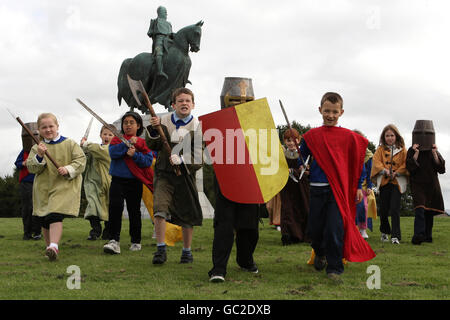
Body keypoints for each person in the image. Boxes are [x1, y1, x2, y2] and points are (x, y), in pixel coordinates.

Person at [298, 92, 375, 282]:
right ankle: (320, 252)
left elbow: (358, 163)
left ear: (341, 112)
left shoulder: (349, 137)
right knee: (314, 229)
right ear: (320, 110)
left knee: (334, 229)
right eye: (326, 111)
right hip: (316, 188)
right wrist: (300, 161)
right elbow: (303, 157)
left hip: (337, 191)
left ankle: (334, 268)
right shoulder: (311, 136)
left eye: (334, 112)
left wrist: (358, 186)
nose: (330, 115)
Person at [208, 77, 262, 283]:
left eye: (246, 101)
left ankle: (245, 259)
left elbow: (267, 152)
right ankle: (218, 268)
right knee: (224, 226)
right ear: (225, 100)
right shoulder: (217, 123)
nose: (240, 105)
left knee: (249, 228)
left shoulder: (258, 124)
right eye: (235, 100)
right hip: (226, 182)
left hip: (250, 182)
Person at [146, 87, 203, 265]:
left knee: (187, 214)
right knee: (160, 209)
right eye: (180, 101)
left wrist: (183, 160)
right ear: (173, 104)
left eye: (187, 101)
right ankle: (161, 249)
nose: (184, 103)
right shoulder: (162, 120)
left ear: (193, 105)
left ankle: (187, 252)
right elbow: (152, 145)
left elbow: (200, 154)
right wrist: (155, 130)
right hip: (164, 173)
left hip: (185, 175)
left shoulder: (198, 126)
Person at [27, 113, 86, 261]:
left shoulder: (70, 144)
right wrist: (39, 156)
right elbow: (32, 168)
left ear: (57, 126)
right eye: (44, 127)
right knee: (44, 219)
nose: (48, 130)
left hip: (63, 187)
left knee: (54, 214)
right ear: (39, 130)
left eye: (51, 126)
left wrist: (68, 169)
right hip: (43, 188)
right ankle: (50, 249)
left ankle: (54, 245)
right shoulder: (36, 147)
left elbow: (81, 161)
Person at [103, 112, 154, 254]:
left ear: (138, 125)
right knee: (115, 208)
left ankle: (136, 241)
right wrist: (127, 146)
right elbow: (113, 153)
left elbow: (147, 161)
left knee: (134, 211)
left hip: (134, 181)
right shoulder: (116, 140)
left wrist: (135, 155)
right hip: (117, 180)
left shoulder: (143, 143)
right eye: (125, 122)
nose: (128, 125)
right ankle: (114, 241)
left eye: (131, 122)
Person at [406, 125, 445, 244]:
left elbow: (441, 168)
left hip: (431, 184)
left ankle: (428, 236)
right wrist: (416, 153)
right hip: (417, 184)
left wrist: (434, 153)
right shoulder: (411, 150)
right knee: (420, 209)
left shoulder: (434, 151)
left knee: (429, 211)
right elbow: (410, 167)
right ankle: (418, 236)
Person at [371, 124, 408, 244]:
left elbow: (405, 164)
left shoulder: (403, 150)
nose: (390, 138)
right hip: (384, 182)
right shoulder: (380, 149)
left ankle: (395, 236)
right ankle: (384, 232)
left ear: (396, 136)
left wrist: (397, 173)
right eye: (387, 135)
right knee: (384, 209)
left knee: (395, 209)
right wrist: (385, 171)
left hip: (397, 183)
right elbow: (376, 163)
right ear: (384, 137)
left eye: (392, 135)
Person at [80, 125, 114, 241]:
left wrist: (86, 144)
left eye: (110, 135)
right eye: (105, 134)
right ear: (100, 135)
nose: (107, 136)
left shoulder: (111, 149)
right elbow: (85, 160)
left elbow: (101, 151)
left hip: (108, 184)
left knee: (109, 209)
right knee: (92, 207)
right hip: (93, 183)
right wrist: (83, 150)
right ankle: (95, 230)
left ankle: (108, 231)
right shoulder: (94, 148)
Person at [279, 128, 310, 245]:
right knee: (288, 209)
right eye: (288, 140)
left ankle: (304, 234)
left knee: (303, 207)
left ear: (299, 140)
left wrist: (304, 170)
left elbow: (308, 170)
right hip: (287, 186)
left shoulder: (304, 154)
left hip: (301, 186)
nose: (291, 143)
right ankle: (289, 235)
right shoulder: (282, 155)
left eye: (294, 140)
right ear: (284, 141)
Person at [14, 123, 41, 240]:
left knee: (38, 207)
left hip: (39, 181)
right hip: (26, 182)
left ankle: (38, 232)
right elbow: (17, 163)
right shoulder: (24, 151)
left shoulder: (41, 149)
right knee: (27, 207)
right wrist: (23, 163)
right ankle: (27, 233)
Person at [353, 130, 374, 239]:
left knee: (363, 207)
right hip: (351, 185)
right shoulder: (349, 152)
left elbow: (370, 172)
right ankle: (353, 229)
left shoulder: (368, 155)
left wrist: (370, 186)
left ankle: (363, 229)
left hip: (364, 186)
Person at [147, 6, 173, 80]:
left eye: (166, 12)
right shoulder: (154, 21)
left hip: (168, 40)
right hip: (159, 39)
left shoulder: (169, 23)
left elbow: (171, 34)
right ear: (159, 12)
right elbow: (149, 32)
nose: (166, 14)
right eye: (164, 12)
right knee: (159, 52)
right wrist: (154, 32)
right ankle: (159, 71)